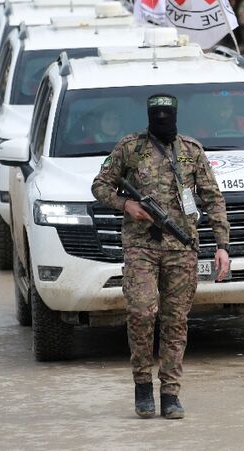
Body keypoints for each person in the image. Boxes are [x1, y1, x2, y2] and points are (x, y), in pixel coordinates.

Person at [91, 94, 230, 420]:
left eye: (168, 113)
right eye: (158, 114)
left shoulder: (192, 151)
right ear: (150, 115)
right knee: (141, 311)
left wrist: (222, 245)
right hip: (141, 247)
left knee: (175, 321)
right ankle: (142, 383)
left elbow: (213, 199)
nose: (163, 119)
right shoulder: (130, 148)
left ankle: (170, 392)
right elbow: (100, 185)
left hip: (182, 250)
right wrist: (127, 205)